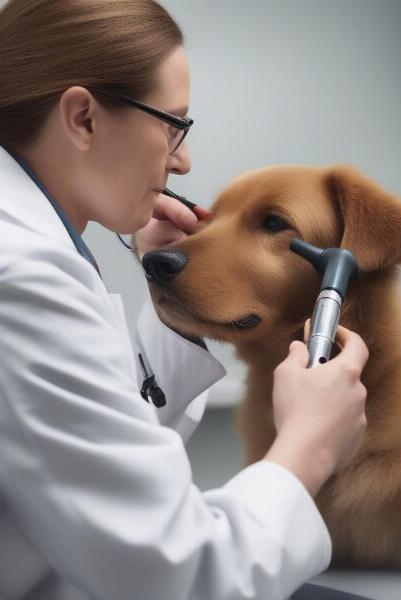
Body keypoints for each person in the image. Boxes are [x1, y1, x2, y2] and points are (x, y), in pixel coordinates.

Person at [0, 1, 371, 599]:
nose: (182, 160)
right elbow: (177, 574)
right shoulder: (25, 276)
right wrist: (310, 440)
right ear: (83, 118)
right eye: (171, 124)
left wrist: (178, 308)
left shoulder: (33, 250)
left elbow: (93, 465)